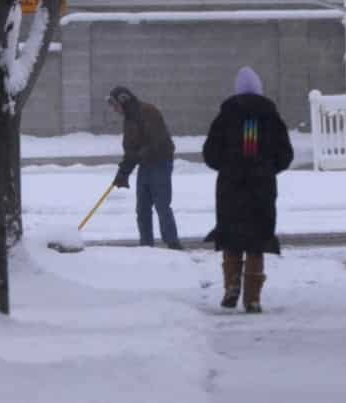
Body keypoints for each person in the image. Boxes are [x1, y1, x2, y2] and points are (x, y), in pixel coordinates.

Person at [202, 66, 293, 313]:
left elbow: (209, 154)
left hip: (230, 188)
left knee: (231, 237)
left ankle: (231, 287)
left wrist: (229, 165)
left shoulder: (225, 117)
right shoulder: (271, 118)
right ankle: (252, 298)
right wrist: (266, 167)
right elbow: (285, 154)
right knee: (257, 241)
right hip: (261, 188)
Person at [107, 86, 183, 250]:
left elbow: (158, 142)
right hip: (146, 165)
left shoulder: (148, 112)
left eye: (114, 105)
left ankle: (172, 243)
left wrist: (139, 155)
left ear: (123, 100)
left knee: (162, 205)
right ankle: (146, 247)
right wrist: (123, 172)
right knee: (142, 208)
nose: (114, 110)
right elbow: (130, 149)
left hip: (161, 162)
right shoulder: (128, 119)